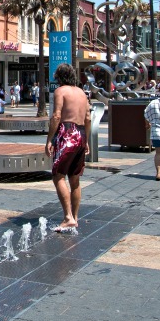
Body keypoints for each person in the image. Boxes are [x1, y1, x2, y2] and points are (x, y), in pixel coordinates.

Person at [46, 64, 90, 234]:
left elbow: (57, 115)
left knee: (58, 175)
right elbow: (87, 117)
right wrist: (85, 140)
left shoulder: (61, 91)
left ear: (59, 77)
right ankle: (75, 217)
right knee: (75, 177)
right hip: (80, 132)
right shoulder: (82, 93)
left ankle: (67, 218)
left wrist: (50, 139)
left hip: (67, 133)